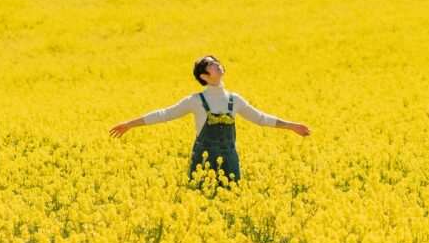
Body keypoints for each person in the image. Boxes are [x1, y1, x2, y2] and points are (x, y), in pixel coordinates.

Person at [109, 55, 311, 184]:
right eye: (212, 65)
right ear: (204, 77)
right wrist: (129, 124)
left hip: (230, 159)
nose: (218, 65)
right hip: (203, 159)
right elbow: (164, 114)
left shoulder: (235, 100)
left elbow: (260, 118)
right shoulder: (196, 100)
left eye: (217, 63)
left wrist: (291, 126)